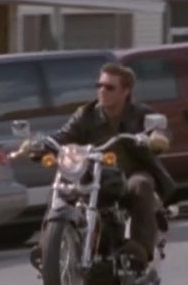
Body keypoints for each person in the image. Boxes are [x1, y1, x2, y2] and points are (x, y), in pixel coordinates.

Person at [23, 62, 176, 270]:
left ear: (126, 91)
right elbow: (64, 135)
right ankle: (48, 246)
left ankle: (139, 250)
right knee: (63, 184)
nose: (102, 91)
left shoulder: (140, 114)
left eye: (110, 87)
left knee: (141, 185)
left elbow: (160, 129)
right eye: (99, 85)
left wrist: (159, 137)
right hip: (94, 173)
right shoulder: (86, 114)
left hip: (130, 172)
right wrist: (41, 145)